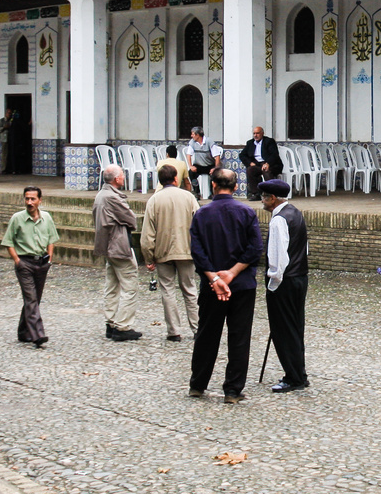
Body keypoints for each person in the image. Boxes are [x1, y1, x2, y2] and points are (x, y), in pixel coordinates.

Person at [188, 168, 261, 403]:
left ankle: (198, 385)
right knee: (239, 337)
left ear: (213, 185)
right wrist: (231, 273)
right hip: (241, 285)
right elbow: (255, 249)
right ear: (236, 186)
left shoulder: (202, 214)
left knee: (207, 335)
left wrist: (214, 278)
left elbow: (197, 251)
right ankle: (232, 390)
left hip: (212, 287)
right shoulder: (247, 212)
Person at [259, 179, 309, 392]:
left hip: (285, 281)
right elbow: (304, 248)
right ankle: (299, 372)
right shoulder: (296, 213)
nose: (261, 200)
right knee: (296, 327)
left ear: (272, 198)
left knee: (283, 330)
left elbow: (277, 258)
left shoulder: (278, 220)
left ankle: (293, 376)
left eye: (263, 197)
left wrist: (273, 283)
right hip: (300, 277)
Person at [140, 164, 200, 341]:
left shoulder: (154, 200)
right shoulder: (189, 197)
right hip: (186, 251)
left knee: (167, 290)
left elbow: (147, 234)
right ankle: (197, 328)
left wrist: (148, 257)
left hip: (162, 252)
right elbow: (199, 225)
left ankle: (174, 331)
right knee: (190, 289)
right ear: (176, 179)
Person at [1, 185, 58, 347]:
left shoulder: (46, 217)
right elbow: (8, 241)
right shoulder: (17, 218)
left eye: (33, 199)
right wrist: (17, 260)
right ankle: (37, 334)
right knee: (31, 298)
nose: (30, 202)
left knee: (34, 299)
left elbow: (51, 239)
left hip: (41, 262)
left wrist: (49, 259)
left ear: (40, 200)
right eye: (27, 198)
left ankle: (23, 332)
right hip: (24, 263)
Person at [94, 165, 142, 341]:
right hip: (118, 246)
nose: (124, 177)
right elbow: (130, 218)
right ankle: (122, 326)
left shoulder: (101, 195)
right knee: (130, 285)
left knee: (112, 285)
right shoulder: (112, 197)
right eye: (122, 175)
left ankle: (111, 322)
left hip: (107, 245)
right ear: (116, 179)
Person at [238, 126, 284, 196]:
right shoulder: (250, 143)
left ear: (262, 133)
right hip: (257, 164)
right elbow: (242, 155)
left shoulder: (269, 141)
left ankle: (271, 193)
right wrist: (250, 163)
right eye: (254, 133)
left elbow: (274, 154)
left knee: (266, 171)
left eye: (257, 133)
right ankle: (256, 193)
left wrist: (268, 163)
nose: (255, 135)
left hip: (270, 164)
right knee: (250, 170)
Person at [184, 127, 222, 194]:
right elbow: (188, 154)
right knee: (191, 173)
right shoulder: (192, 142)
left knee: (215, 174)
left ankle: (213, 193)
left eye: (193, 134)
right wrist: (190, 166)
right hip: (199, 165)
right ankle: (196, 192)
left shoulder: (209, 141)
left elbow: (217, 156)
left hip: (210, 165)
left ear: (197, 135)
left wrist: (215, 168)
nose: (191, 136)